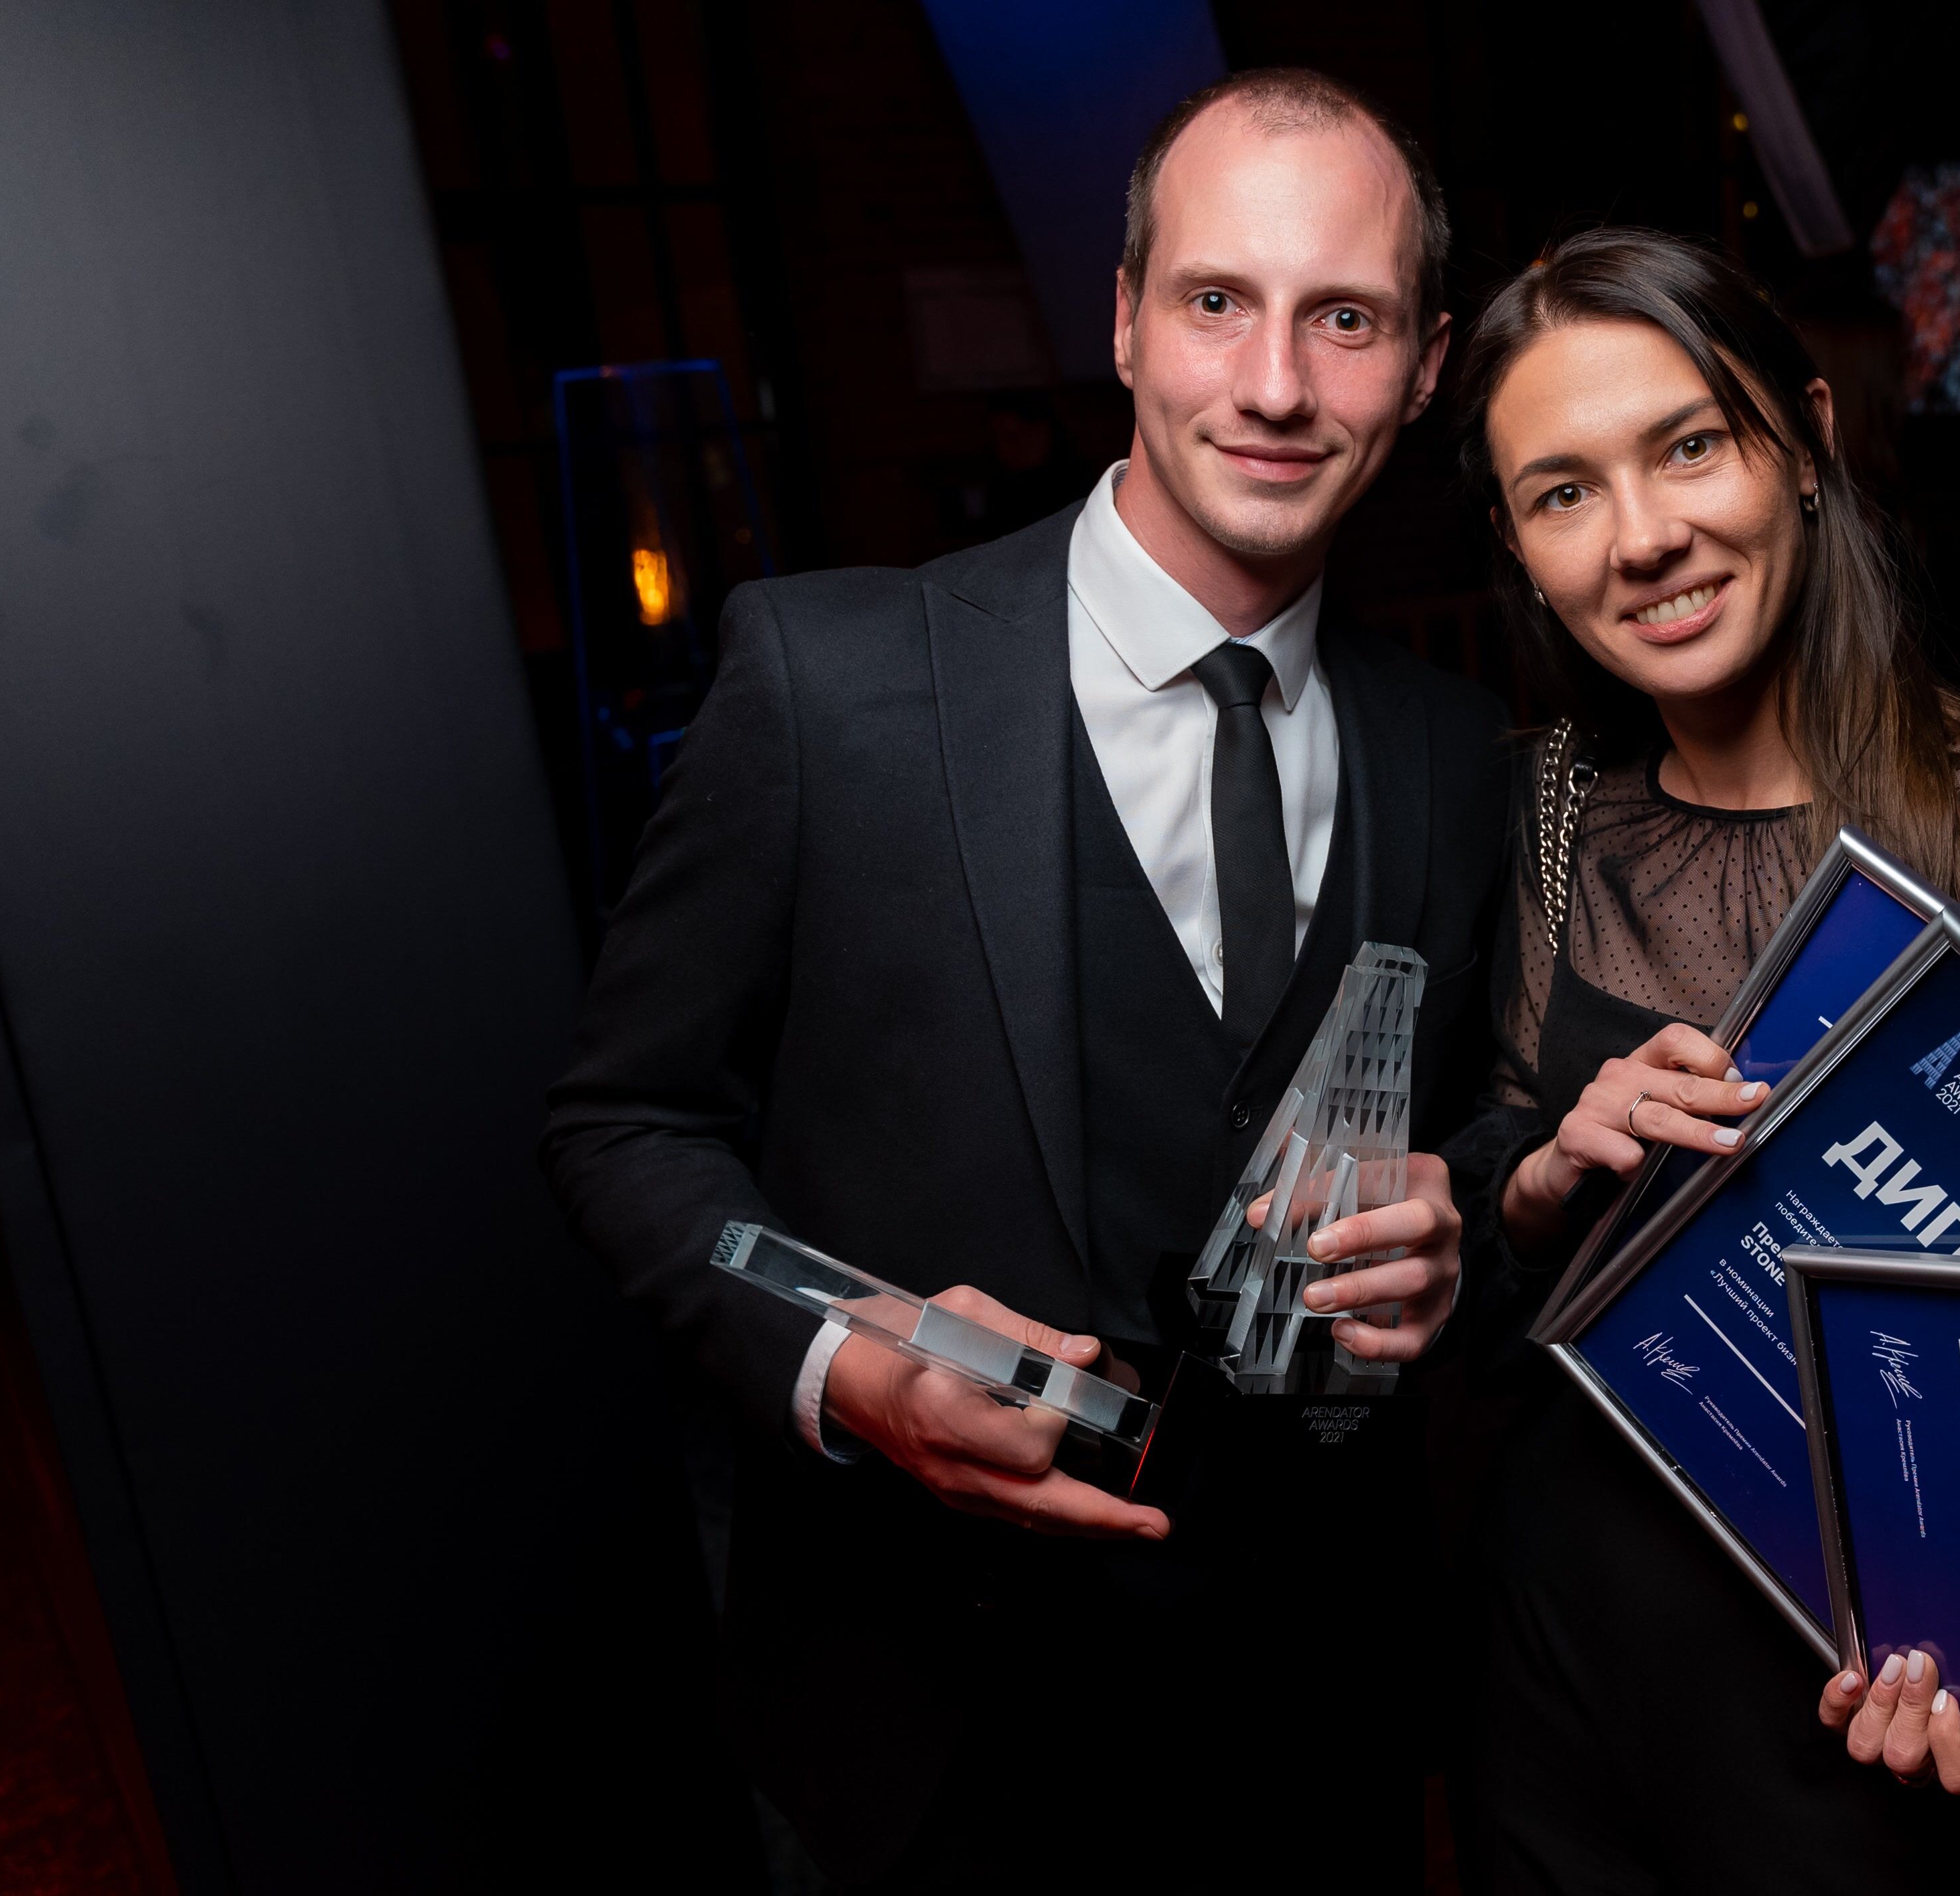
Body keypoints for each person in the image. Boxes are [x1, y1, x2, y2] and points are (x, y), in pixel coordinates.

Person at [540, 70, 1507, 1890]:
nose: (1275, 384)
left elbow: (1458, 1133)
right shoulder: (832, 685)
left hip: (1320, 1724)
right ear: (1126, 318)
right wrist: (843, 1360)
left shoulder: (1455, 752)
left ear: (1425, 365)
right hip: (934, 1728)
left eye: (1345, 319)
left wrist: (1452, 1219)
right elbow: (624, 1123)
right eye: (1216, 299)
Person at [1436, 228, 1960, 1893]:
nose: (1641, 536)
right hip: (1553, 1648)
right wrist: (1542, 1177)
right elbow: (1483, 1245)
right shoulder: (1548, 813)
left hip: (1848, 1725)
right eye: (1561, 492)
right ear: (1516, 546)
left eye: (1688, 445)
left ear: (1805, 439)